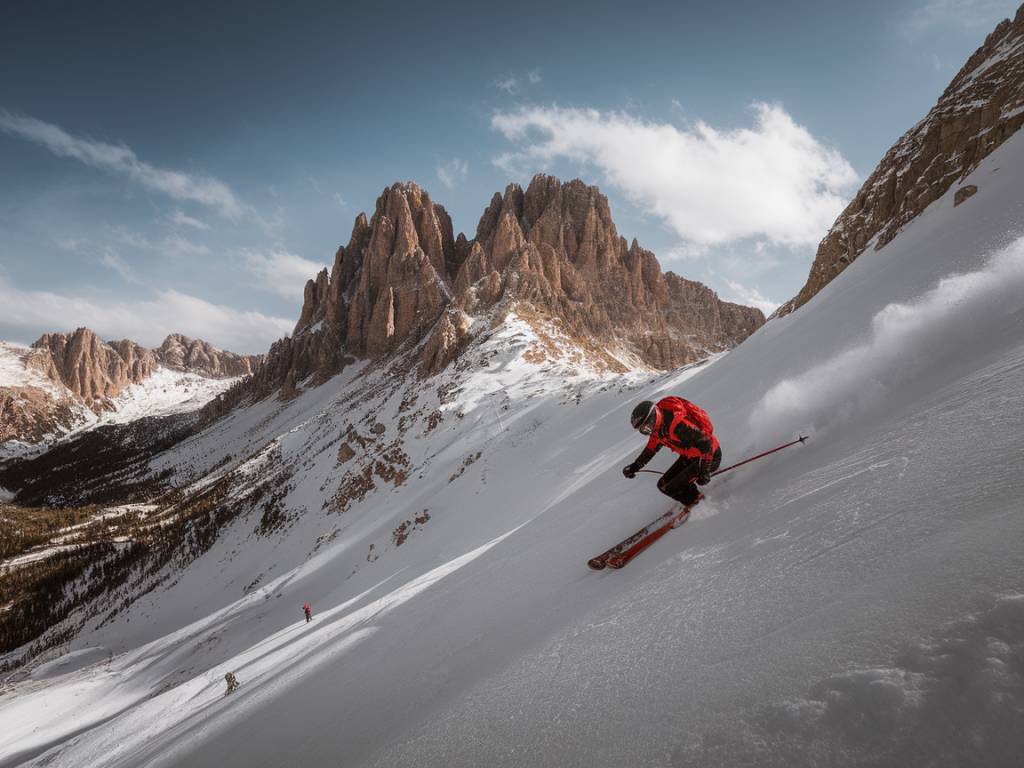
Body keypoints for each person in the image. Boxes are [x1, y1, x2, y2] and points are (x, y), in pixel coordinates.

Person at [622, 397, 721, 507]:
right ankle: (695, 499)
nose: (648, 430)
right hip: (691, 457)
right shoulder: (658, 430)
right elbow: (650, 450)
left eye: (647, 426)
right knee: (663, 485)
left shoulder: (677, 425)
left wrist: (704, 472)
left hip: (710, 457)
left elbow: (706, 443)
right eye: (643, 430)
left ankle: (698, 503)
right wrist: (635, 467)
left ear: (654, 416)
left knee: (672, 487)